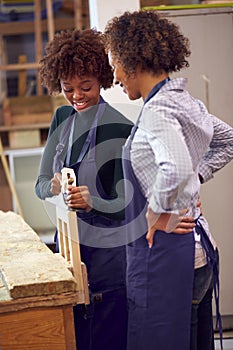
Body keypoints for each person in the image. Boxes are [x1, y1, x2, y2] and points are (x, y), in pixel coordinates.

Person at [103, 10, 233, 350]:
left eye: (114, 63)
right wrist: (197, 177)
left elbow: (174, 166)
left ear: (131, 62)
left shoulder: (158, 111)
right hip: (199, 252)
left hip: (172, 260)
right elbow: (228, 139)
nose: (115, 77)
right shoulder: (184, 101)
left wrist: (156, 211)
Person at [35, 28, 134, 350]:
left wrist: (94, 203)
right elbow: (39, 187)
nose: (76, 96)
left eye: (86, 87)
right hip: (69, 253)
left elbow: (129, 206)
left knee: (107, 339)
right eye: (68, 88)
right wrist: (51, 186)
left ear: (101, 79)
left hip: (108, 262)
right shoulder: (61, 117)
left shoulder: (119, 127)